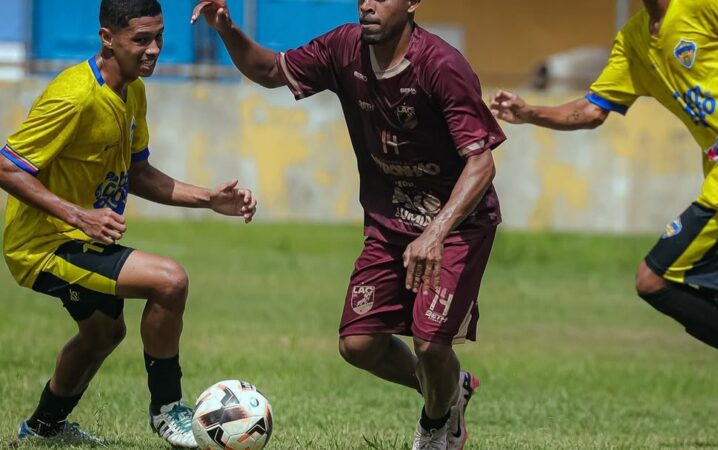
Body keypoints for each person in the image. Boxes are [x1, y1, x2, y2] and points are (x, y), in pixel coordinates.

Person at [192, 0, 504, 448]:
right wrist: (226, 28)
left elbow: (481, 163)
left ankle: (436, 428)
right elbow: (269, 71)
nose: (367, 4)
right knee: (358, 345)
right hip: (389, 223)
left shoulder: (442, 66)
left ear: (412, 3)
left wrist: (435, 234)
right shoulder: (343, 48)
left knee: (432, 345)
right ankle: (449, 390)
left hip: (456, 226)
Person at [491, 0, 718, 446]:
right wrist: (530, 112)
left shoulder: (706, 6)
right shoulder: (635, 39)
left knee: (652, 281)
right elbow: (593, 109)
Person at [0, 0, 257, 447]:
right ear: (107, 39)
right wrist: (79, 214)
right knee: (169, 280)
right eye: (141, 39)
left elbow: (137, 173)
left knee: (104, 333)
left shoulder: (133, 89)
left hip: (77, 236)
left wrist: (209, 199)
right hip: (43, 243)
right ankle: (167, 412)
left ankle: (43, 428)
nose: (154, 48)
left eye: (158, 37)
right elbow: (7, 167)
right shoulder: (75, 96)